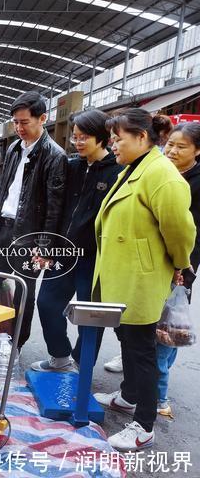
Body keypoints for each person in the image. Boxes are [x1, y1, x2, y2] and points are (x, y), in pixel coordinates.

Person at [92, 109, 195, 452]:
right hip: (124, 272)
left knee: (141, 351)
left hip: (142, 276)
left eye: (119, 138)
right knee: (127, 339)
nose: (113, 144)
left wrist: (181, 264)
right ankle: (128, 396)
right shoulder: (136, 168)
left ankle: (144, 425)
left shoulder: (162, 176)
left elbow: (181, 231)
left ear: (141, 137)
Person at [31, 109, 123, 372]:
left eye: (84, 138)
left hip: (94, 258)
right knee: (47, 303)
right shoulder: (70, 166)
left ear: (101, 137)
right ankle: (59, 356)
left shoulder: (116, 172)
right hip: (62, 253)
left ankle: (82, 368)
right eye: (75, 138)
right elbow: (56, 208)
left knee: (91, 316)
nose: (78, 143)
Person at [0, 91, 67, 349]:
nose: (18, 128)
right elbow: (6, 191)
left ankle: (16, 344)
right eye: (15, 122)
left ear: (43, 119)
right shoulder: (15, 148)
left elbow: (54, 208)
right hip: (5, 228)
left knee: (24, 293)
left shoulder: (54, 155)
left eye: (24, 122)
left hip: (31, 235)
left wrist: (45, 248)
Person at [155, 122, 200, 417]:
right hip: (158, 261)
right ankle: (149, 386)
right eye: (170, 143)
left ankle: (158, 396)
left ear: (197, 150)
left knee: (165, 331)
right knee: (163, 329)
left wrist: (185, 264)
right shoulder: (163, 172)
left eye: (181, 146)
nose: (171, 150)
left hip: (181, 266)